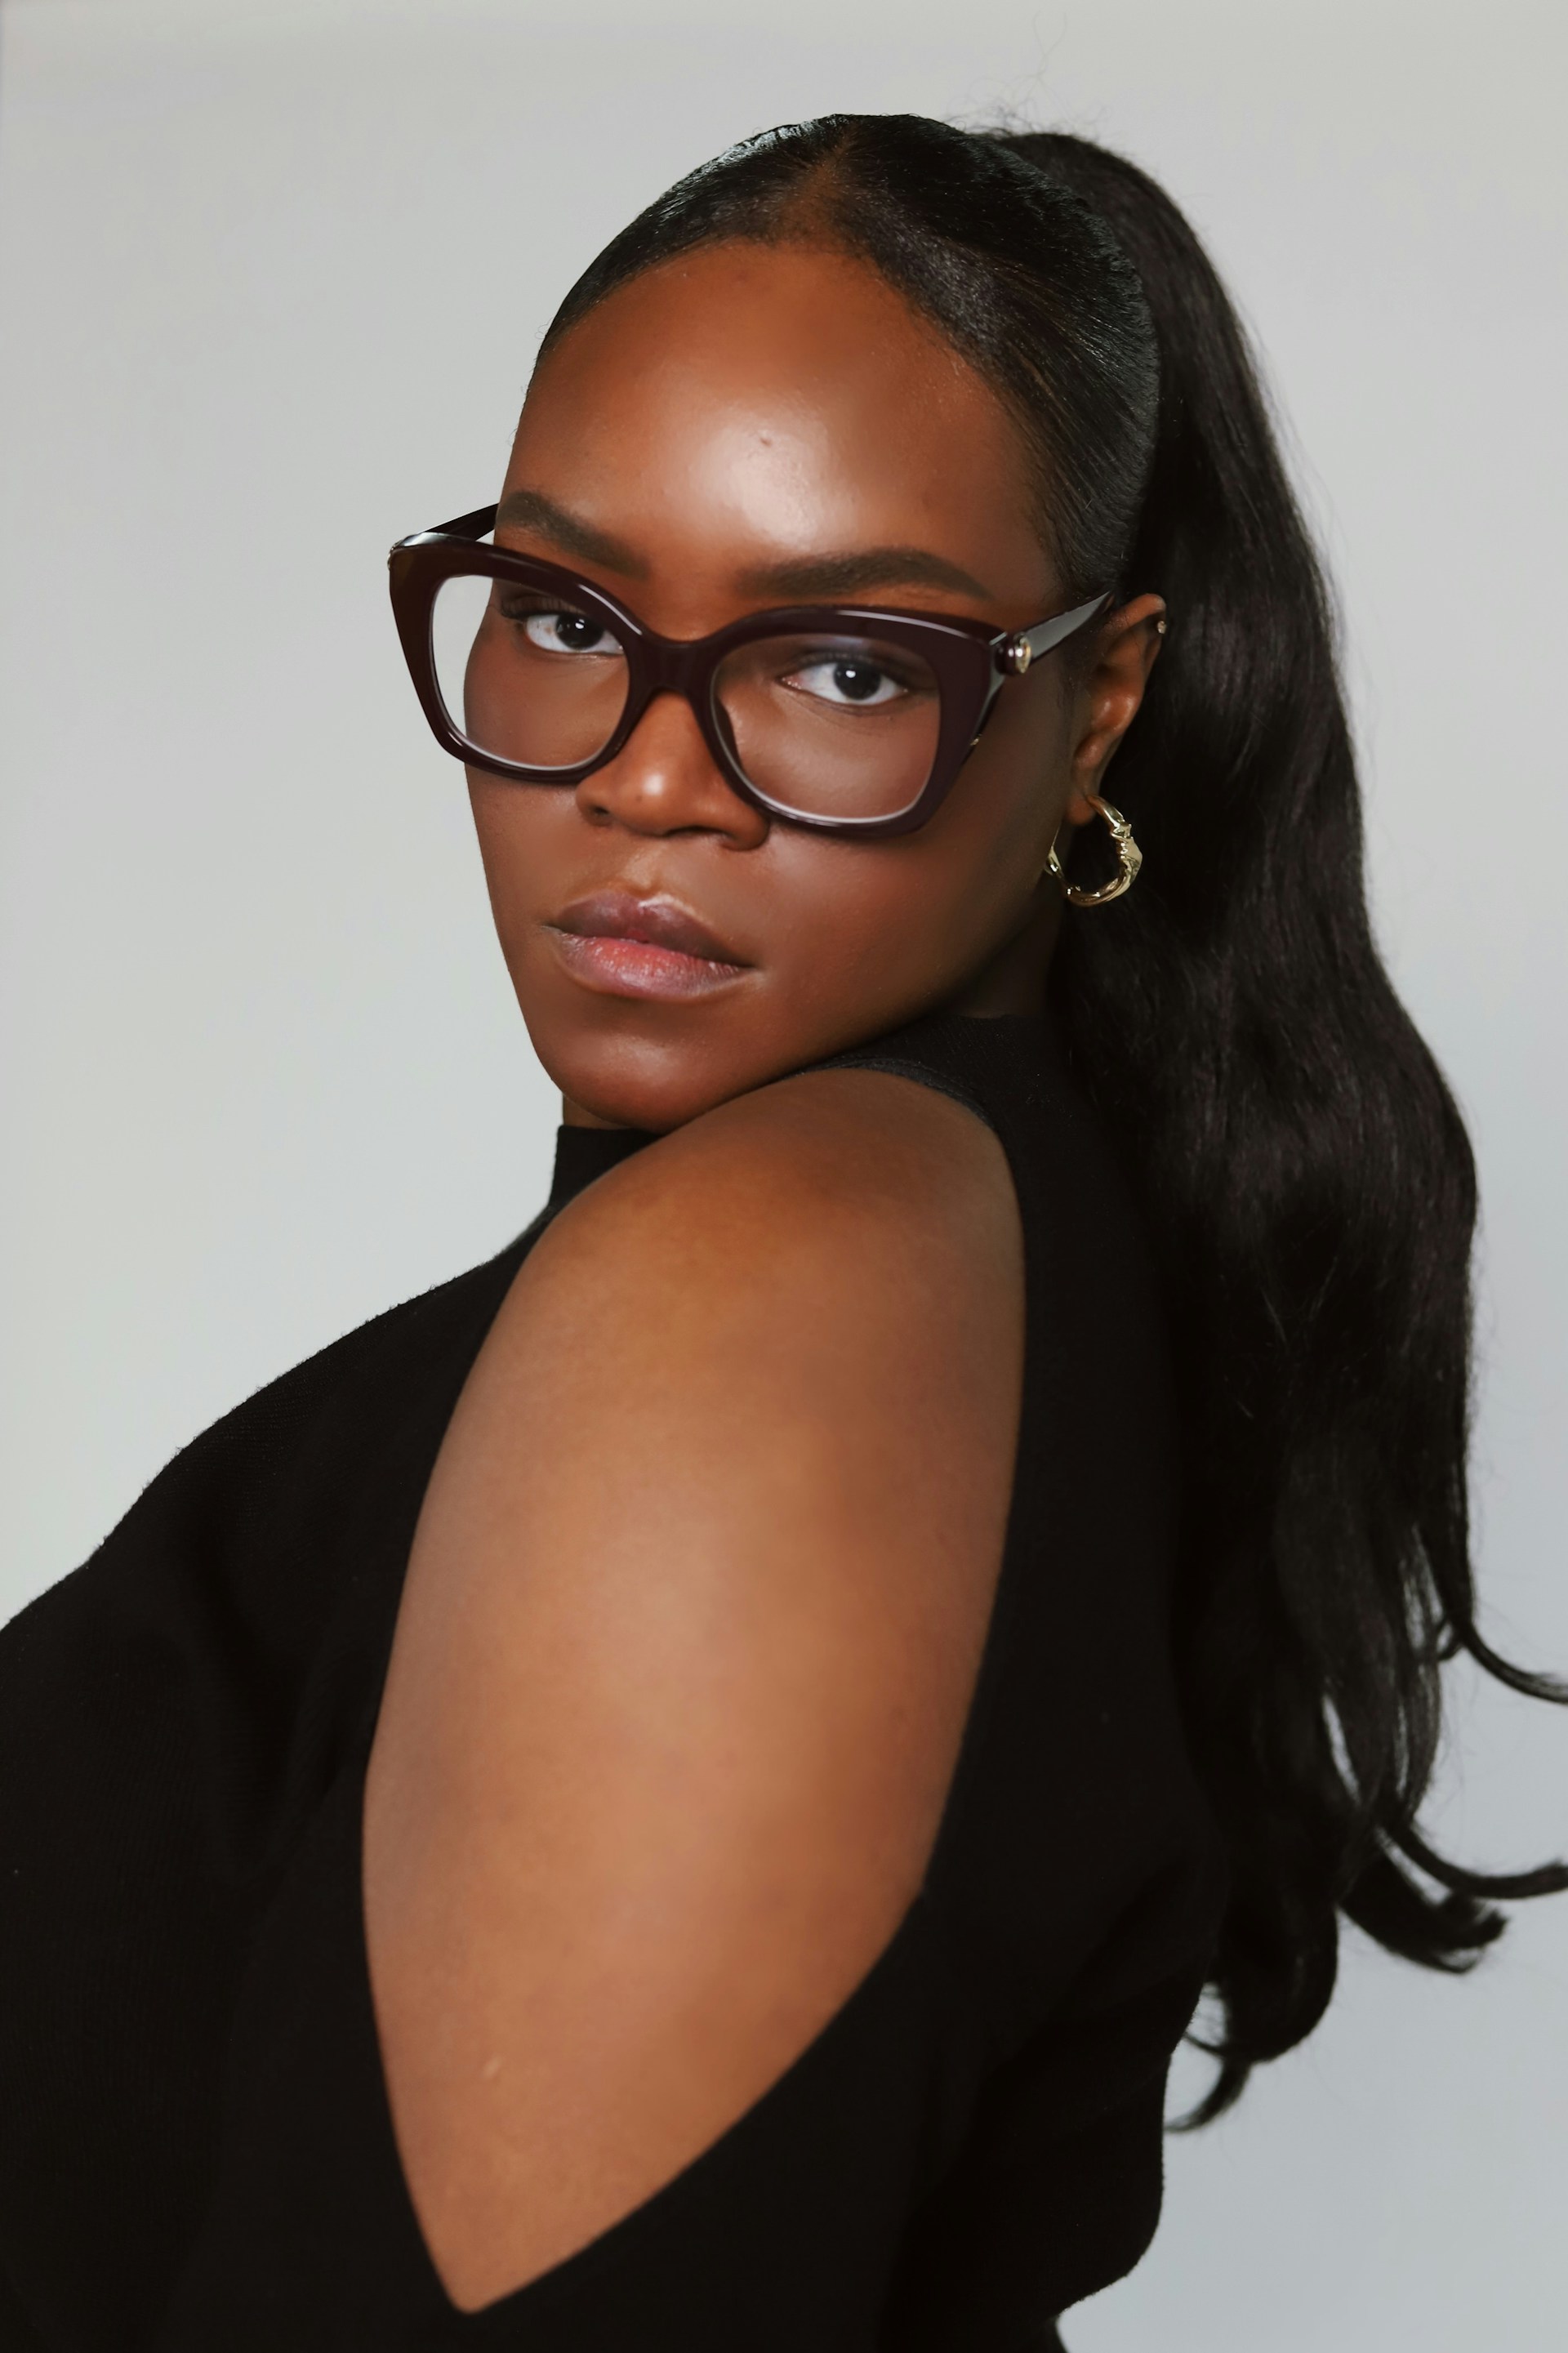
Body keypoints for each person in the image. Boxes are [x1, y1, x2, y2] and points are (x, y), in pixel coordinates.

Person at [0, 113, 1561, 2353]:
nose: (648, 776)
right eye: (562, 613)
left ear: (1097, 700)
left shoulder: (773, 1295)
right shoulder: (934, 1263)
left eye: (842, 665)